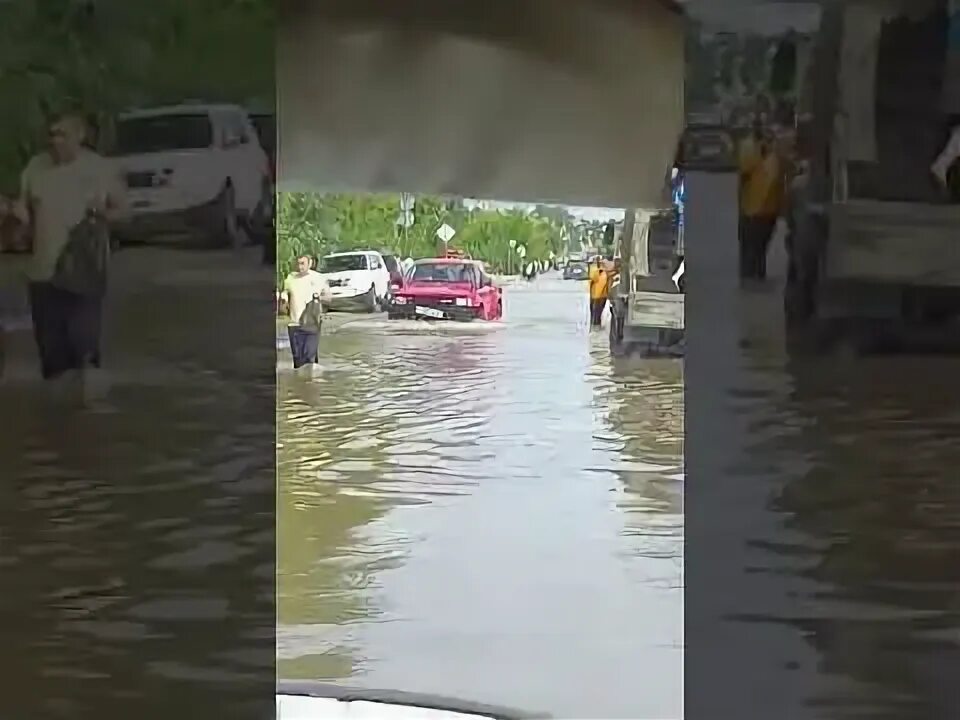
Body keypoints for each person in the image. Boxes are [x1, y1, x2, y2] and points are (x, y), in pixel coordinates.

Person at [12, 112, 124, 403]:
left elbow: (124, 211)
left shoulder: (100, 168)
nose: (55, 141)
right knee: (52, 355)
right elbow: (23, 208)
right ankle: (58, 422)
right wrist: (20, 222)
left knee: (83, 343)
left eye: (62, 134)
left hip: (85, 272)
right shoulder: (36, 166)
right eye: (52, 134)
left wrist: (104, 213)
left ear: (80, 136)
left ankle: (88, 414)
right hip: (42, 272)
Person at [737, 121, 786, 281]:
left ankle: (757, 273)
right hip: (752, 208)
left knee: (760, 246)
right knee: (752, 246)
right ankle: (751, 275)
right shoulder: (749, 147)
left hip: (769, 209)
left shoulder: (776, 151)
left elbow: (783, 177)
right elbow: (743, 175)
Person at [280, 254, 331, 369]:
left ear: (310, 264)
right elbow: (285, 293)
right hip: (294, 323)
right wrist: (283, 300)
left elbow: (328, 298)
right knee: (298, 361)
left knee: (309, 358)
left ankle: (310, 383)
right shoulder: (290, 278)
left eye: (302, 263)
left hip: (312, 323)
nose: (300, 266)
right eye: (298, 263)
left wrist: (319, 298)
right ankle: (302, 383)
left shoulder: (319, 278)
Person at [587, 255, 609, 328]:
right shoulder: (598, 272)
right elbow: (591, 279)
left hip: (599, 296)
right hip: (597, 296)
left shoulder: (602, 273)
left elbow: (592, 279)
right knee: (596, 313)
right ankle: (595, 326)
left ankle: (595, 326)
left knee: (596, 313)